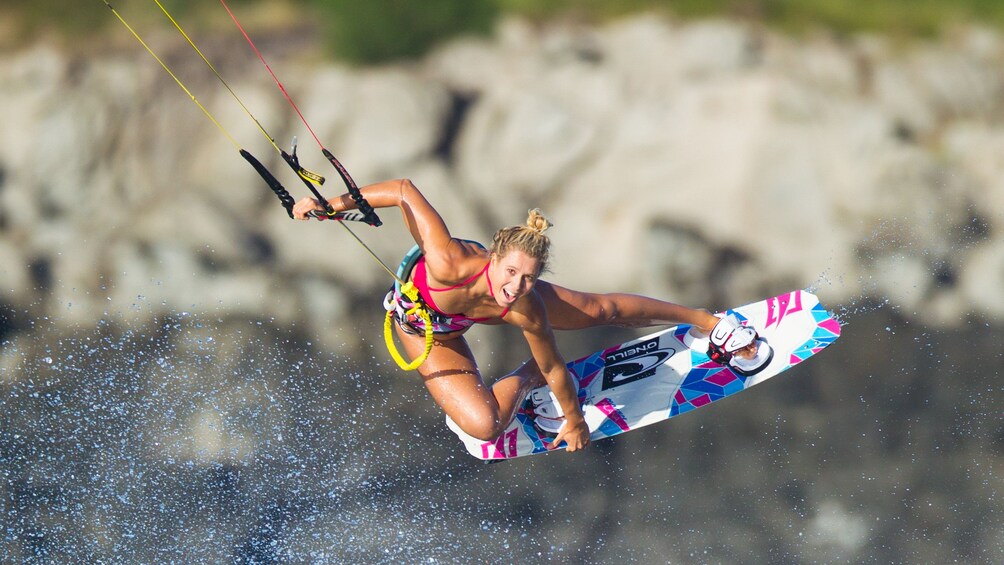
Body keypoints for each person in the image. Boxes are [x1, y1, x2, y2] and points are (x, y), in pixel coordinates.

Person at [293, 179, 767, 452]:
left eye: (529, 277)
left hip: (476, 317)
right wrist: (330, 206)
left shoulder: (525, 302)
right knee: (482, 427)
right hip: (426, 328)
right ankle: (518, 383)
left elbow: (556, 366)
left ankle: (706, 322)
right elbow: (402, 190)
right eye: (513, 272)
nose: (516, 284)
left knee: (600, 309)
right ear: (494, 256)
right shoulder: (447, 262)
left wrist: (575, 418)